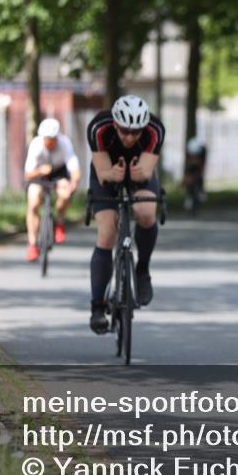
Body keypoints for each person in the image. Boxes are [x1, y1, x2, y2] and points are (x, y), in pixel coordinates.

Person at [85, 95, 166, 334]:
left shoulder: (155, 129)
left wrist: (138, 175)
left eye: (136, 132)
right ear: (115, 124)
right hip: (107, 171)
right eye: (124, 131)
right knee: (107, 232)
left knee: (146, 212)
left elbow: (146, 171)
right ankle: (97, 306)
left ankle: (142, 269)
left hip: (140, 172)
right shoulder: (98, 127)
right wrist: (112, 175)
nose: (130, 137)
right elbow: (102, 173)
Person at [24, 118, 81, 261]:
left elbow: (74, 167)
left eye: (52, 139)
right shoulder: (36, 145)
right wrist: (40, 171)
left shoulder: (65, 143)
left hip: (59, 172)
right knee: (33, 201)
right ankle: (32, 244)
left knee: (65, 193)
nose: (49, 143)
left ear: (57, 137)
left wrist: (74, 182)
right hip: (39, 173)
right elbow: (27, 174)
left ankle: (60, 222)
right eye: (46, 139)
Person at [183, 136, 208, 210]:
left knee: (200, 174)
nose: (194, 157)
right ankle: (189, 197)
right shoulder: (188, 151)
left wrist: (199, 165)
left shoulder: (203, 150)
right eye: (192, 155)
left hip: (200, 163)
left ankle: (201, 190)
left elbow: (203, 164)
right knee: (189, 177)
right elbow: (188, 165)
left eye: (195, 155)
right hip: (191, 164)